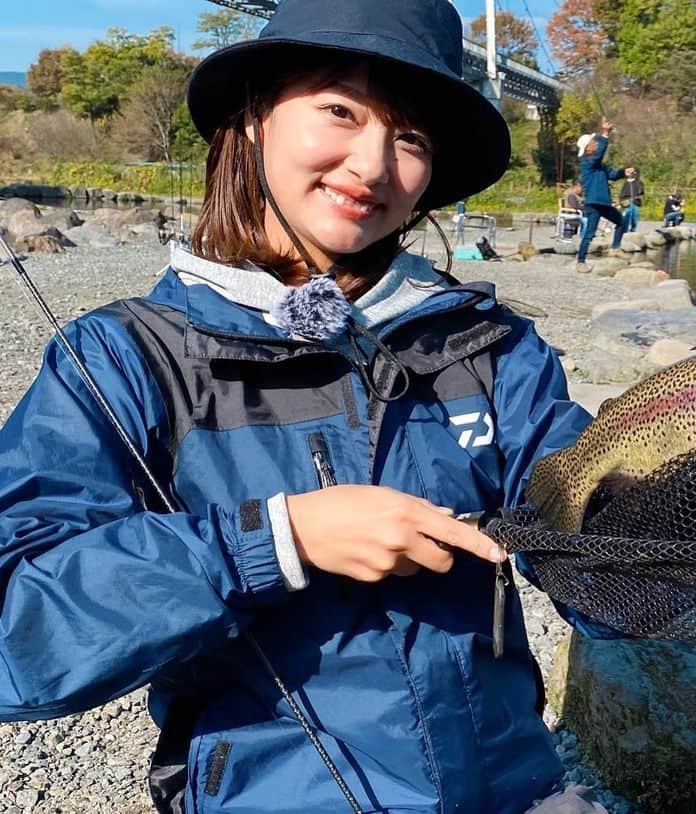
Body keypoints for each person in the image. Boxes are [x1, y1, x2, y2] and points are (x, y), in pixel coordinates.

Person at [0, 2, 610, 812]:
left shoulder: (492, 349)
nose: (373, 164)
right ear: (253, 118)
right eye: (339, 110)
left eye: (412, 138)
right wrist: (279, 539)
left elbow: (614, 575)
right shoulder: (122, 360)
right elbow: (19, 632)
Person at [575, 117, 633, 269]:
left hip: (603, 202)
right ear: (588, 147)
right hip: (593, 203)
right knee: (590, 233)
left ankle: (615, 248)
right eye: (593, 141)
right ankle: (581, 262)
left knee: (621, 221)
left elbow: (613, 174)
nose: (595, 142)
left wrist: (623, 172)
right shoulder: (587, 161)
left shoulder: (598, 164)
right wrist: (605, 134)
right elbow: (599, 153)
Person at [618, 168, 644, 232]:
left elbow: (641, 192)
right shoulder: (625, 183)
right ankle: (626, 229)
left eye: (633, 173)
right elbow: (622, 193)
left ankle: (633, 228)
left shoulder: (639, 182)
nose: (632, 174)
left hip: (635, 201)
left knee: (635, 216)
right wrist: (621, 202)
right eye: (630, 173)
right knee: (627, 215)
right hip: (627, 202)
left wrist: (640, 191)